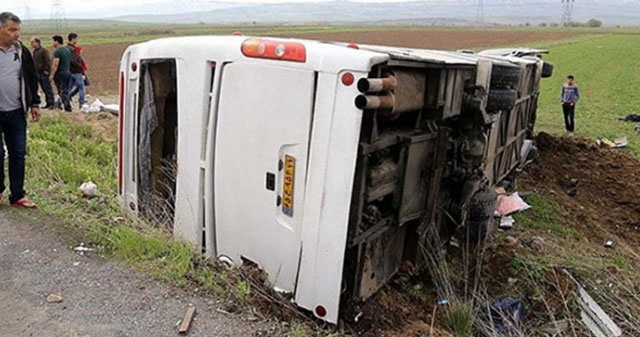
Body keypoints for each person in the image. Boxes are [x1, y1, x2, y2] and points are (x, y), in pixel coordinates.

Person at [0, 12, 41, 208]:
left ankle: (17, 195)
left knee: (18, 153)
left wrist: (34, 103)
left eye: (18, 29)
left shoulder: (21, 51)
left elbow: (32, 78)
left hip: (16, 111)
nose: (17, 34)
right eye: (12, 30)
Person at [29, 36, 55, 109]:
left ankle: (51, 103)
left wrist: (47, 71)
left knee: (48, 89)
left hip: (44, 73)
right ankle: (47, 103)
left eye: (32, 42)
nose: (31, 44)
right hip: (38, 73)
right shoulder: (34, 52)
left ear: (37, 42)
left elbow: (48, 62)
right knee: (43, 89)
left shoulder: (43, 51)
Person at [50, 35, 72, 112]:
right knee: (66, 90)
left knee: (61, 91)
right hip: (67, 72)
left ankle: (66, 107)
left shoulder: (57, 51)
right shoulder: (67, 50)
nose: (52, 43)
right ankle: (65, 106)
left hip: (60, 73)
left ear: (56, 41)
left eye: (53, 41)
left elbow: (55, 64)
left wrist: (52, 75)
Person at [66, 32, 87, 109]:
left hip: (69, 71)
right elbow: (74, 60)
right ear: (73, 39)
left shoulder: (66, 48)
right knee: (81, 87)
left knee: (69, 88)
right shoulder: (73, 49)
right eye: (76, 38)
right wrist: (80, 67)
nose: (77, 40)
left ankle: (63, 100)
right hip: (76, 71)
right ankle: (82, 103)